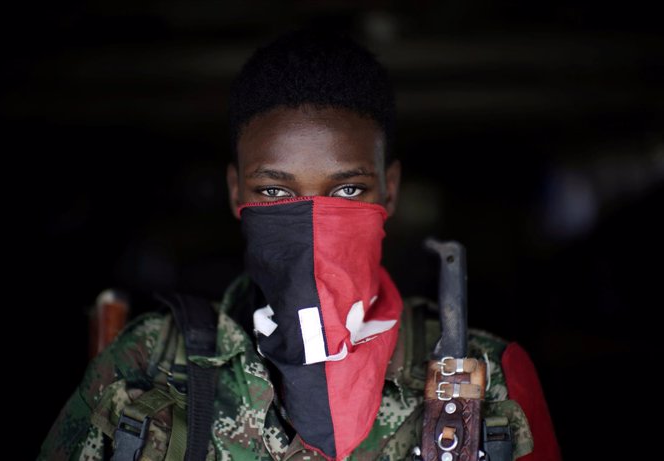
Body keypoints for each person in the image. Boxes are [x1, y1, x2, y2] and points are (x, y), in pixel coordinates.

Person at [38, 29, 561, 461]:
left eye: (348, 190)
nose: (313, 219)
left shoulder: (485, 379)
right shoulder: (147, 364)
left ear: (391, 190)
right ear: (236, 192)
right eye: (274, 192)